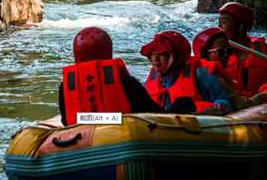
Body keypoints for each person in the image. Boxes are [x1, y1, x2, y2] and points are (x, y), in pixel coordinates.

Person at [58, 27, 194, 126]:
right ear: (108, 50)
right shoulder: (126, 83)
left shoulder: (65, 86)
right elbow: (158, 117)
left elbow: (66, 122)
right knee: (185, 103)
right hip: (122, 140)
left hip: (81, 143)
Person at [141, 30, 232, 115]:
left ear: (177, 58)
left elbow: (223, 99)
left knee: (182, 103)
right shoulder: (154, 78)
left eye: (162, 54)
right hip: (163, 124)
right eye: (153, 53)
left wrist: (221, 103)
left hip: (196, 122)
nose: (155, 59)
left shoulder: (198, 74)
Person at [193, 27, 267, 111]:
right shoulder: (216, 78)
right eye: (220, 52)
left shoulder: (195, 70)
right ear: (205, 53)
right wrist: (261, 96)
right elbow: (241, 105)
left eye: (229, 50)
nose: (226, 55)